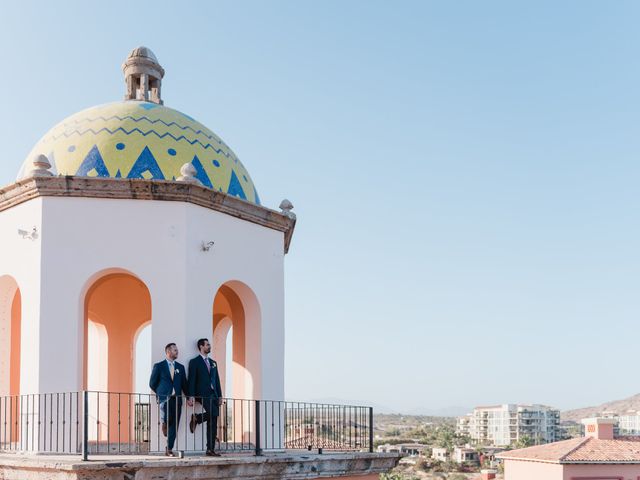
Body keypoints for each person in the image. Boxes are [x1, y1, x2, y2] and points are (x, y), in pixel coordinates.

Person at [149, 343, 190, 456]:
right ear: (168, 352)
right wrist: (161, 392)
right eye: (175, 350)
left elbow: (184, 385)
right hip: (164, 399)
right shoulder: (159, 366)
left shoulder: (180, 367)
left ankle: (169, 449)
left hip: (177, 399)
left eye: (177, 350)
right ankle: (164, 423)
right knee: (168, 419)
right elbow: (152, 383)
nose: (177, 352)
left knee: (174, 425)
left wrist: (189, 397)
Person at [188, 338, 223, 456]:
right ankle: (197, 418)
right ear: (201, 346)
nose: (209, 346)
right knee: (214, 414)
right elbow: (191, 380)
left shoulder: (213, 362)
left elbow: (217, 380)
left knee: (213, 419)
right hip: (201, 394)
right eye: (207, 345)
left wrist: (220, 395)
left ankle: (210, 449)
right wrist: (191, 396)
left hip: (213, 394)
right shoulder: (194, 362)